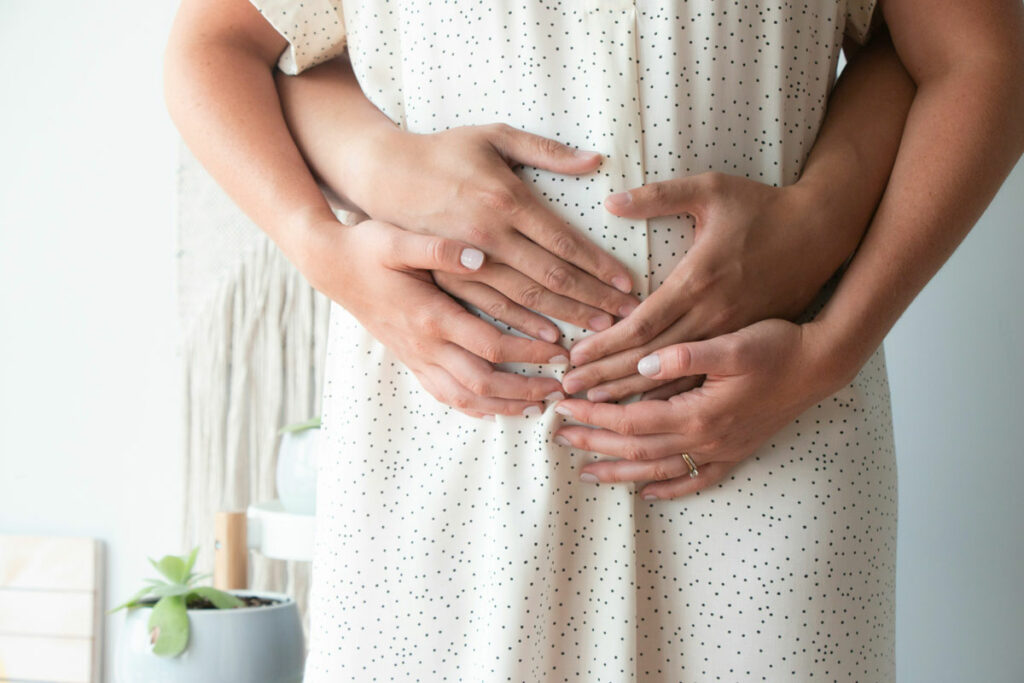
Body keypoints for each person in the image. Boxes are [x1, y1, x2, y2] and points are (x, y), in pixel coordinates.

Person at [163, 0, 1024, 679]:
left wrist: (831, 344)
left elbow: (974, 54)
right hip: (446, 452)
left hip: (765, 436)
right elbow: (217, 43)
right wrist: (328, 251)